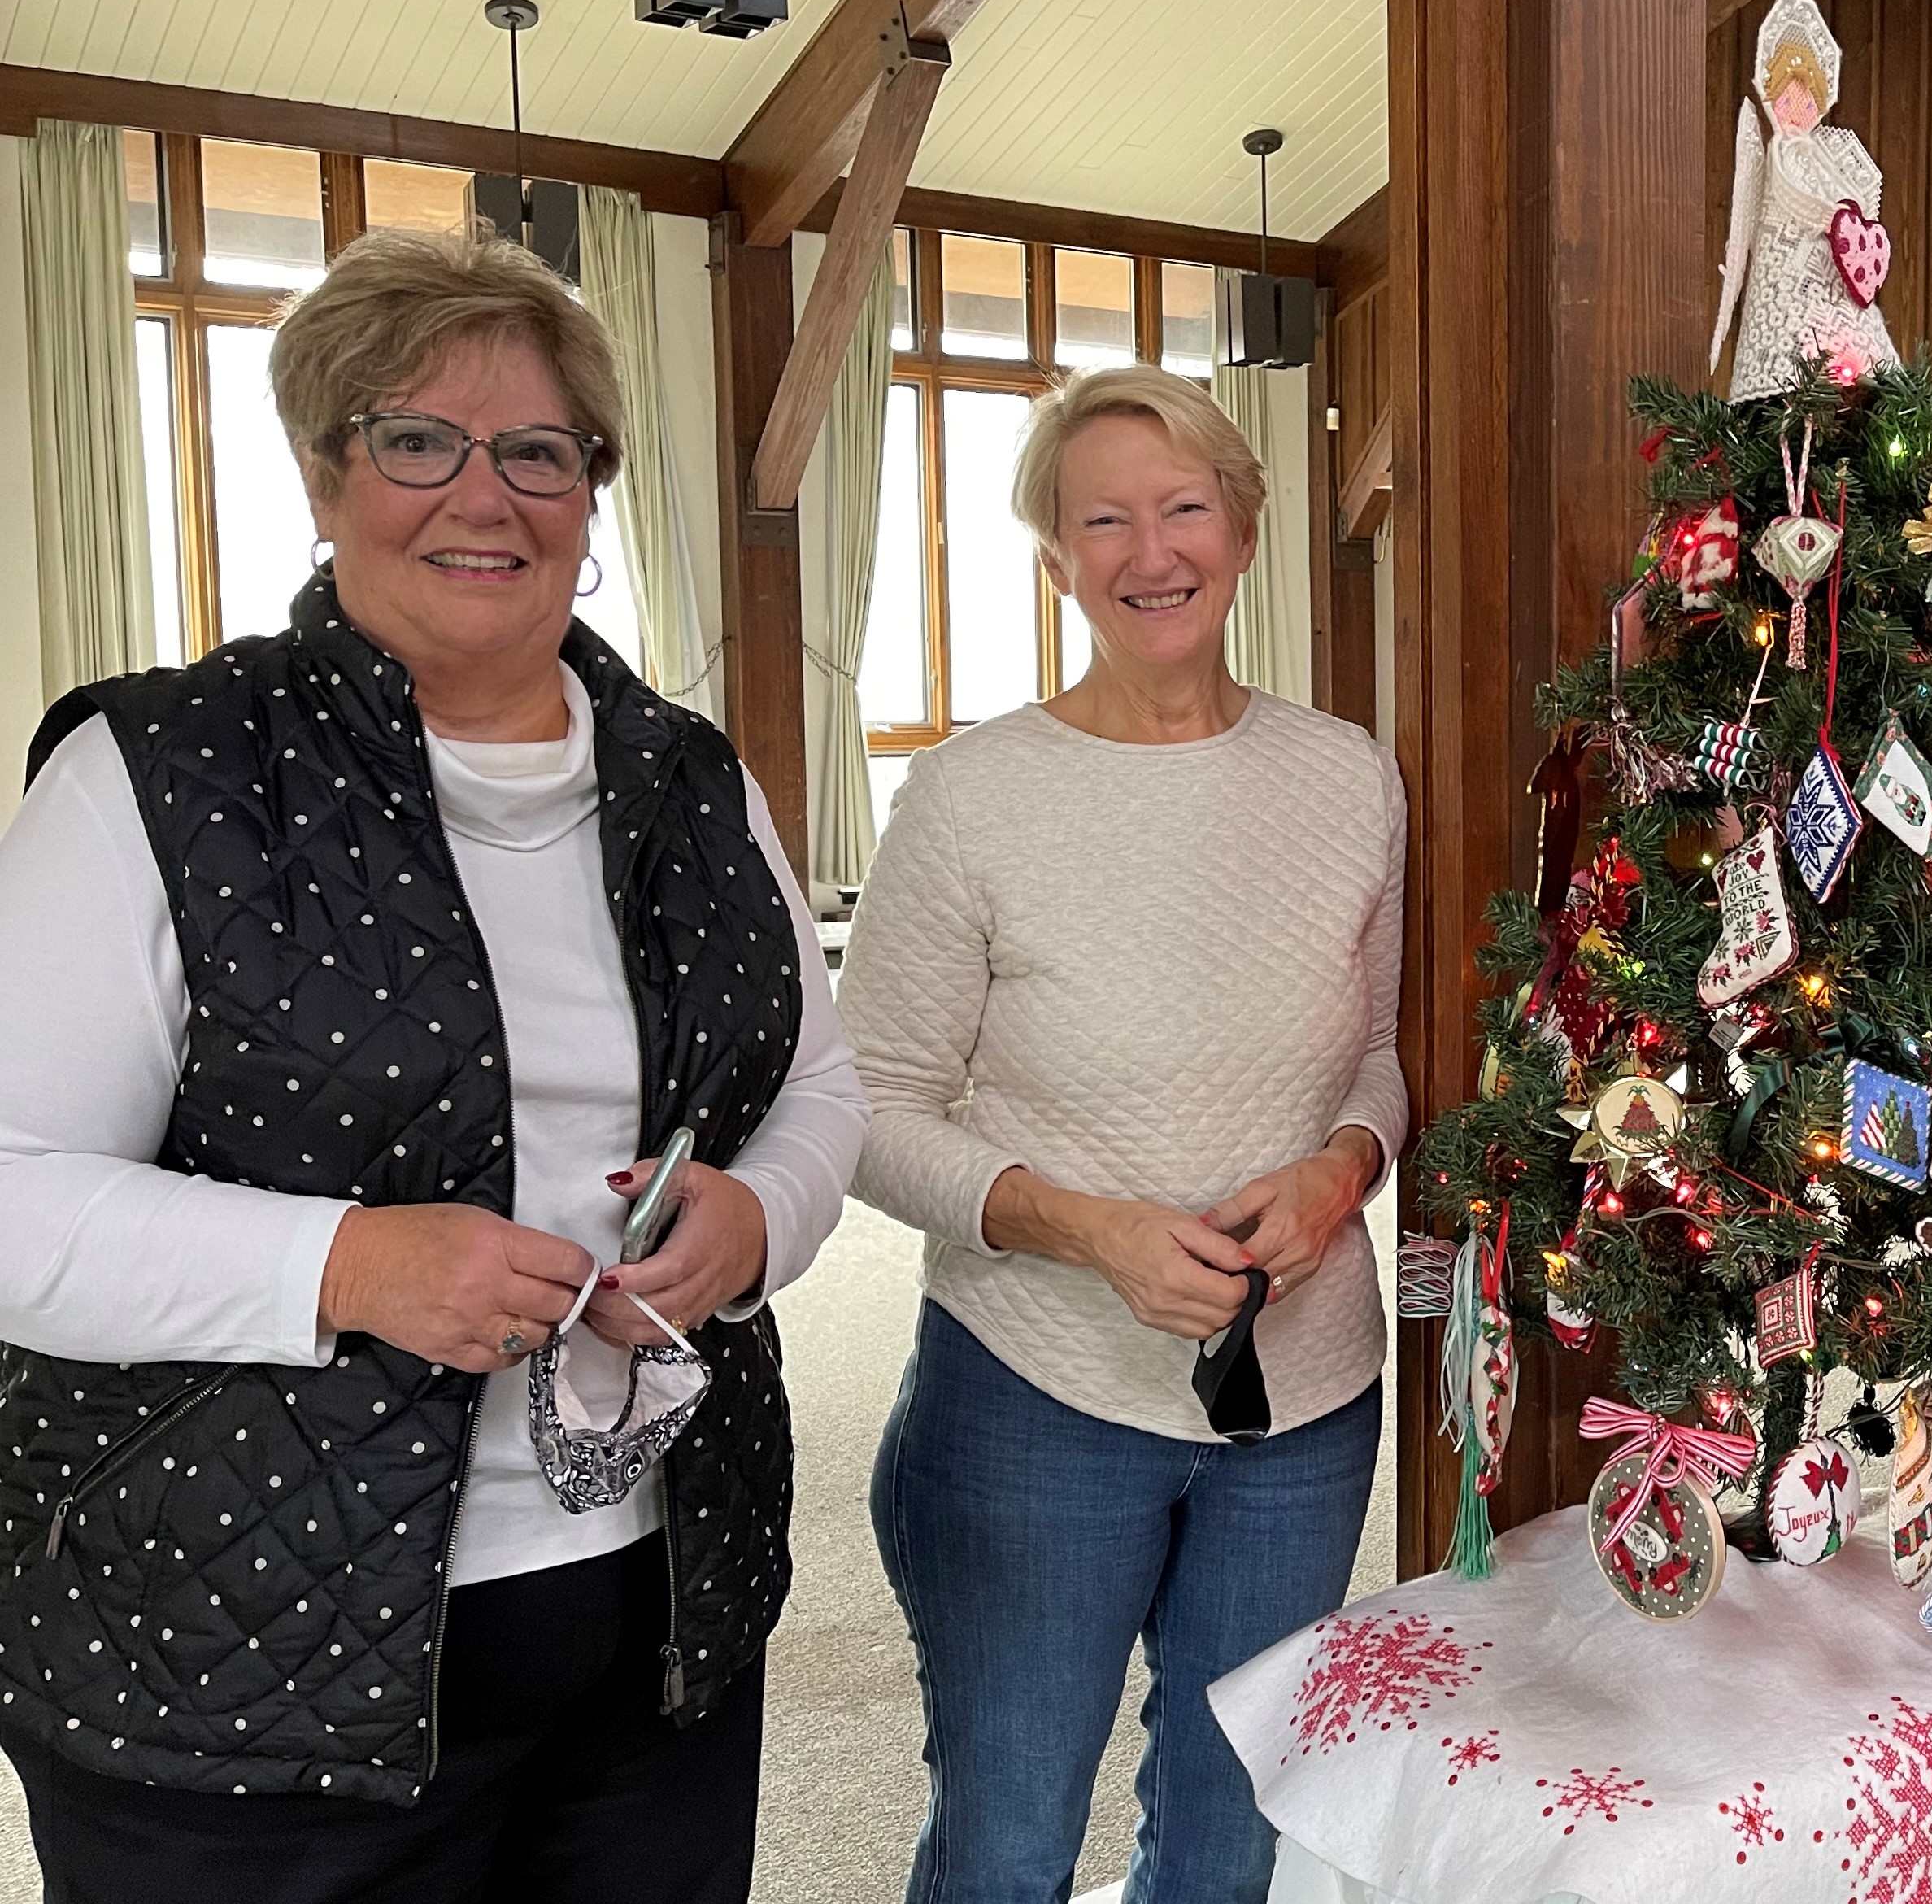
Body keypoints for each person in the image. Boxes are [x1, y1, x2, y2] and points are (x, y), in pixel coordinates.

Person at [0, 227, 865, 1901]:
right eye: (417, 440)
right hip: (242, 1656)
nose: (486, 495)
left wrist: (761, 1217)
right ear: (326, 476)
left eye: (538, 450)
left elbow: (819, 1093)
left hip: (655, 1608)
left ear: (590, 493)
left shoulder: (696, 783)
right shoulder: (159, 772)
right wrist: (348, 1264)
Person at [842, 364, 1406, 1904]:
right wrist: (1088, 1230)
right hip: (1036, 1391)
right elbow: (867, 1112)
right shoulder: (968, 798)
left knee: (1233, 1841)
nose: (1151, 552)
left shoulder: (1350, 777)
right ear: (1056, 559)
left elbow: (1378, 1056)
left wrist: (1343, 1170)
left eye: (1184, 508)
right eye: (1103, 521)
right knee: (1010, 1843)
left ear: (1244, 530)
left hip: (1304, 1401)